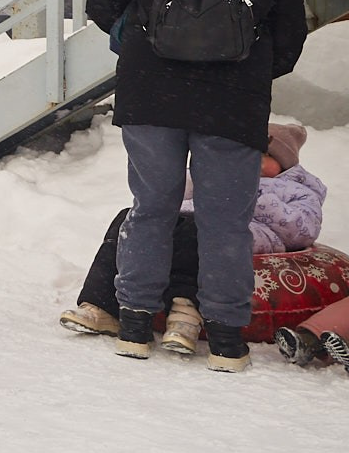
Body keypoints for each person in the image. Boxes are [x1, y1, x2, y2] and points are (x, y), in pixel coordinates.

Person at [84, 0, 308, 370]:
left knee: (151, 209)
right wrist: (244, 71)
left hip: (149, 99)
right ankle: (227, 339)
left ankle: (136, 323)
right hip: (232, 109)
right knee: (225, 221)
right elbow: (290, 43)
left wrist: (139, 44)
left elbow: (101, 1)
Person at [62, 122, 323, 355]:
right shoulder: (227, 173)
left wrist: (251, 197)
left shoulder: (297, 189)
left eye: (265, 155)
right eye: (249, 153)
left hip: (247, 231)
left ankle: (184, 313)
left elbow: (302, 229)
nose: (253, 160)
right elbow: (177, 191)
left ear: (286, 164)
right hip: (190, 218)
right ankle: (101, 303)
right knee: (128, 222)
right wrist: (203, 175)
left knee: (196, 233)